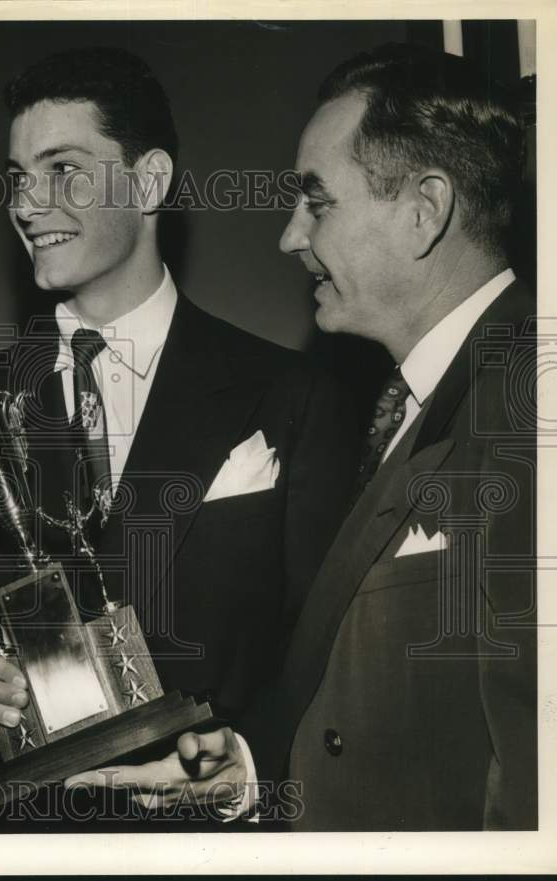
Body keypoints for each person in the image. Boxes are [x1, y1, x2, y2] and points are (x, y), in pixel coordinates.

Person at [71, 43, 537, 831]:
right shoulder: (415, 404)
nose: (290, 237)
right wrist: (250, 768)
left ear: (424, 211)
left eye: (317, 203)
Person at [0, 47, 357, 823]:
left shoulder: (289, 390)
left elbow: (327, 649)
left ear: (149, 182)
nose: (29, 205)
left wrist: (244, 772)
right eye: (16, 178)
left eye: (63, 170)